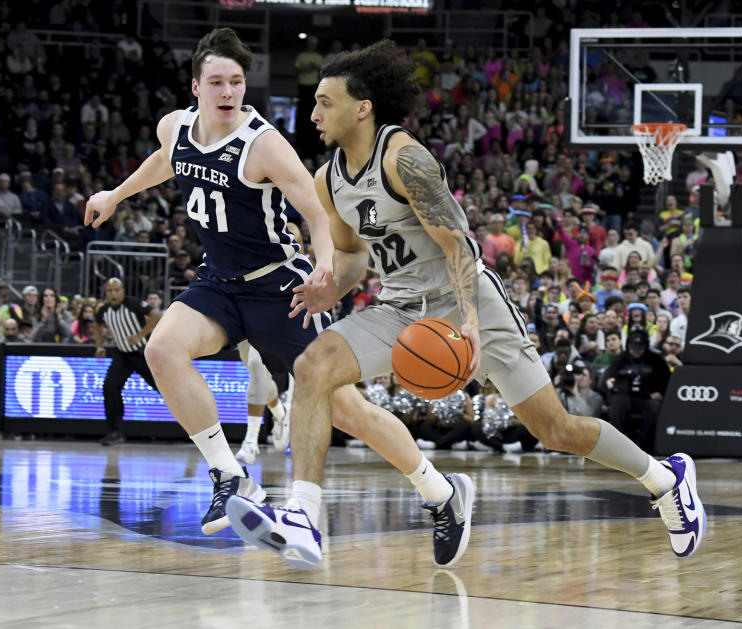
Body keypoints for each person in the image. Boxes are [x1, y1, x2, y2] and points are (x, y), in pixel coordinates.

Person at [226, 40, 706, 570]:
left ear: (362, 107)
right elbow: (351, 256)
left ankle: (665, 479)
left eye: (325, 102)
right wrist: (329, 287)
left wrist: (471, 321)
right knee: (312, 367)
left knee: (555, 430)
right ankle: (304, 517)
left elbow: (458, 243)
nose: (314, 113)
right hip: (402, 308)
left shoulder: (405, 159)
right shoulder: (328, 179)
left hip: (469, 302)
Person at [84, 29, 458, 547]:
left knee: (344, 409)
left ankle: (438, 490)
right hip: (219, 282)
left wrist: (324, 265)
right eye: (216, 81)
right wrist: (117, 194)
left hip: (280, 286)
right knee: (163, 349)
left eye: (236, 82)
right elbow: (167, 158)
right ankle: (229, 474)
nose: (228, 91)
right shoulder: (177, 126)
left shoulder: (263, 144)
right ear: (196, 87)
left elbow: (317, 212)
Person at [93, 278, 162, 446]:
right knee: (109, 387)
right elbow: (97, 325)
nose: (113, 294)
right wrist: (99, 346)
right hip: (123, 355)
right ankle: (114, 431)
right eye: (110, 291)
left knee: (165, 389)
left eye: (116, 290)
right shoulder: (104, 310)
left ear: (123, 291)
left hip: (144, 354)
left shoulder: (134, 304)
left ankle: (195, 427)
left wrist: (139, 335)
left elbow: (156, 316)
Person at [234, 339, 288, 464]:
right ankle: (281, 414)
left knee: (257, 365)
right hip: (245, 325)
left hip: (272, 323)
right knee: (260, 379)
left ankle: (250, 442)